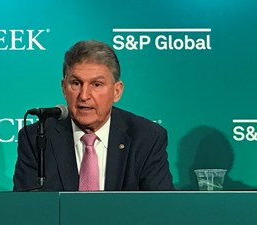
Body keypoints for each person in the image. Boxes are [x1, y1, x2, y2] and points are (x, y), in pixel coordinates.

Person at [13, 40, 174, 191]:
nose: (84, 95)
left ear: (117, 91)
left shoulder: (146, 138)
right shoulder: (37, 138)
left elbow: (161, 209)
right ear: (64, 88)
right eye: (76, 83)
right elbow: (25, 210)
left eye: (96, 84)